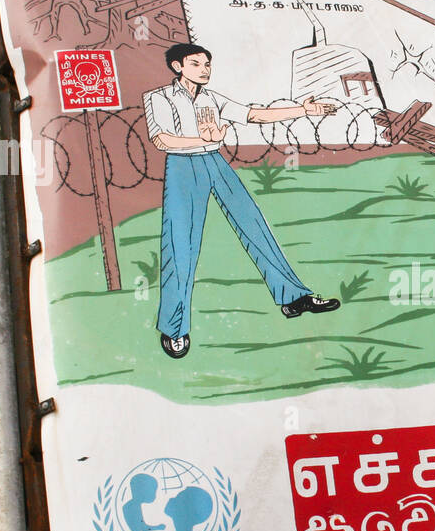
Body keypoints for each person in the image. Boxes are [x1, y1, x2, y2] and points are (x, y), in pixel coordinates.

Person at [143, 43, 340, 359]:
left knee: (254, 224)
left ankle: (293, 297)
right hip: (182, 167)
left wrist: (304, 109)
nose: (205, 69)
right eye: (196, 64)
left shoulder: (211, 98)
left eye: (208, 63)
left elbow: (255, 115)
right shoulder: (159, 98)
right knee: (180, 244)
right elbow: (162, 139)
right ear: (177, 66)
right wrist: (203, 139)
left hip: (213, 161)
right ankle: (174, 328)